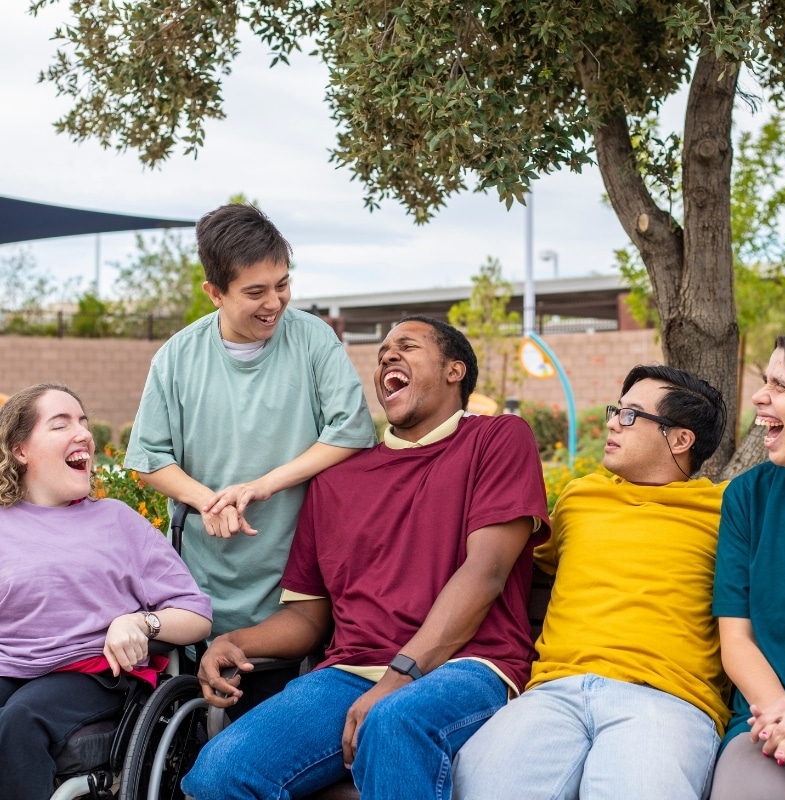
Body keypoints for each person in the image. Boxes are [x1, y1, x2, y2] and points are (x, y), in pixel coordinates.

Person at [180, 316, 550, 800]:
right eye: (381, 354)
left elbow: (486, 574)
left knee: (393, 723)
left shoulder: (498, 439)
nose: (387, 357)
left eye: (407, 347)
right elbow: (309, 617)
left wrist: (398, 678)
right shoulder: (336, 480)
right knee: (219, 774)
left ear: (455, 371)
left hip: (467, 666)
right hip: (349, 675)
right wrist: (236, 641)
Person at [124, 204, 376, 716]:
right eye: (255, 292)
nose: (274, 303)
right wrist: (207, 500)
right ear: (214, 293)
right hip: (201, 584)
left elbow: (351, 432)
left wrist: (261, 486)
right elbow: (148, 460)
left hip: (292, 589)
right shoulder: (176, 356)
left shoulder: (312, 339)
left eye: (282, 285)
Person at [453, 364, 730, 800]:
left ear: (680, 439)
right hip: (553, 692)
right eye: (616, 410)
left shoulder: (727, 510)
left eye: (631, 415)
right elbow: (510, 565)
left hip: (664, 698)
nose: (612, 423)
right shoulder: (580, 497)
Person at [0, 382, 212, 800]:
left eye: (83, 421)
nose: (83, 433)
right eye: (61, 424)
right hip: (12, 665)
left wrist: (140, 622)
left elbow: (197, 614)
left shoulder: (116, 521)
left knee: (19, 722)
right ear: (21, 449)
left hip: (95, 674)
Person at [709, 330, 785, 799]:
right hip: (765, 723)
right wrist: (784, 720)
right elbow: (737, 641)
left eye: (781, 386)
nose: (760, 397)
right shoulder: (748, 498)